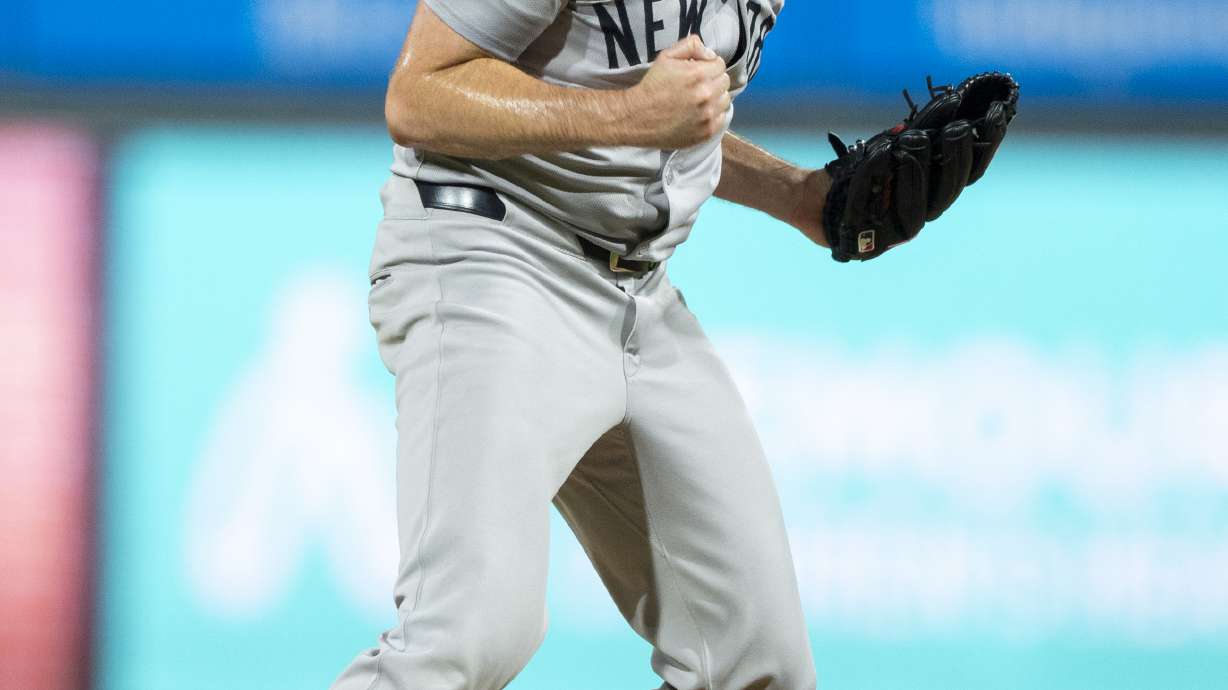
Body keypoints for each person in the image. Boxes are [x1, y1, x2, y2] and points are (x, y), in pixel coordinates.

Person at [331, 1, 827, 688]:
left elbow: (677, 113)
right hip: (493, 250)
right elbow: (418, 93)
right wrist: (629, 117)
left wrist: (799, 197)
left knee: (759, 663)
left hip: (640, 295)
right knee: (469, 632)